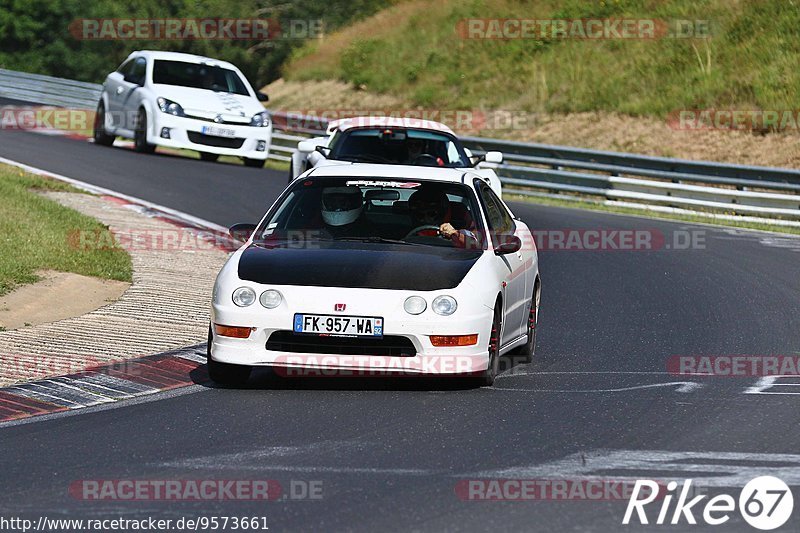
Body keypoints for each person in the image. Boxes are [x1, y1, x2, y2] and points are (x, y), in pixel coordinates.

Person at [407, 189, 478, 248]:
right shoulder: (404, 225)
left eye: (431, 214)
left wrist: (454, 233)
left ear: (442, 211)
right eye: (420, 215)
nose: (426, 218)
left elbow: (475, 245)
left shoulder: (462, 221)